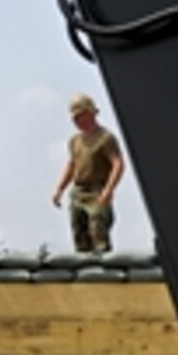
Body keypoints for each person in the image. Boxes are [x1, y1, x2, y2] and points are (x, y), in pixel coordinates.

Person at [51, 93, 124, 253]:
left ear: (89, 113)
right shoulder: (74, 141)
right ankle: (85, 273)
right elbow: (72, 165)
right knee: (79, 232)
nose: (76, 121)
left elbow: (117, 164)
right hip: (79, 191)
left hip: (97, 189)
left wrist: (109, 189)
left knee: (98, 227)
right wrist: (60, 190)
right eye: (74, 118)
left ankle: (104, 271)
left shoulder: (105, 138)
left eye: (79, 116)